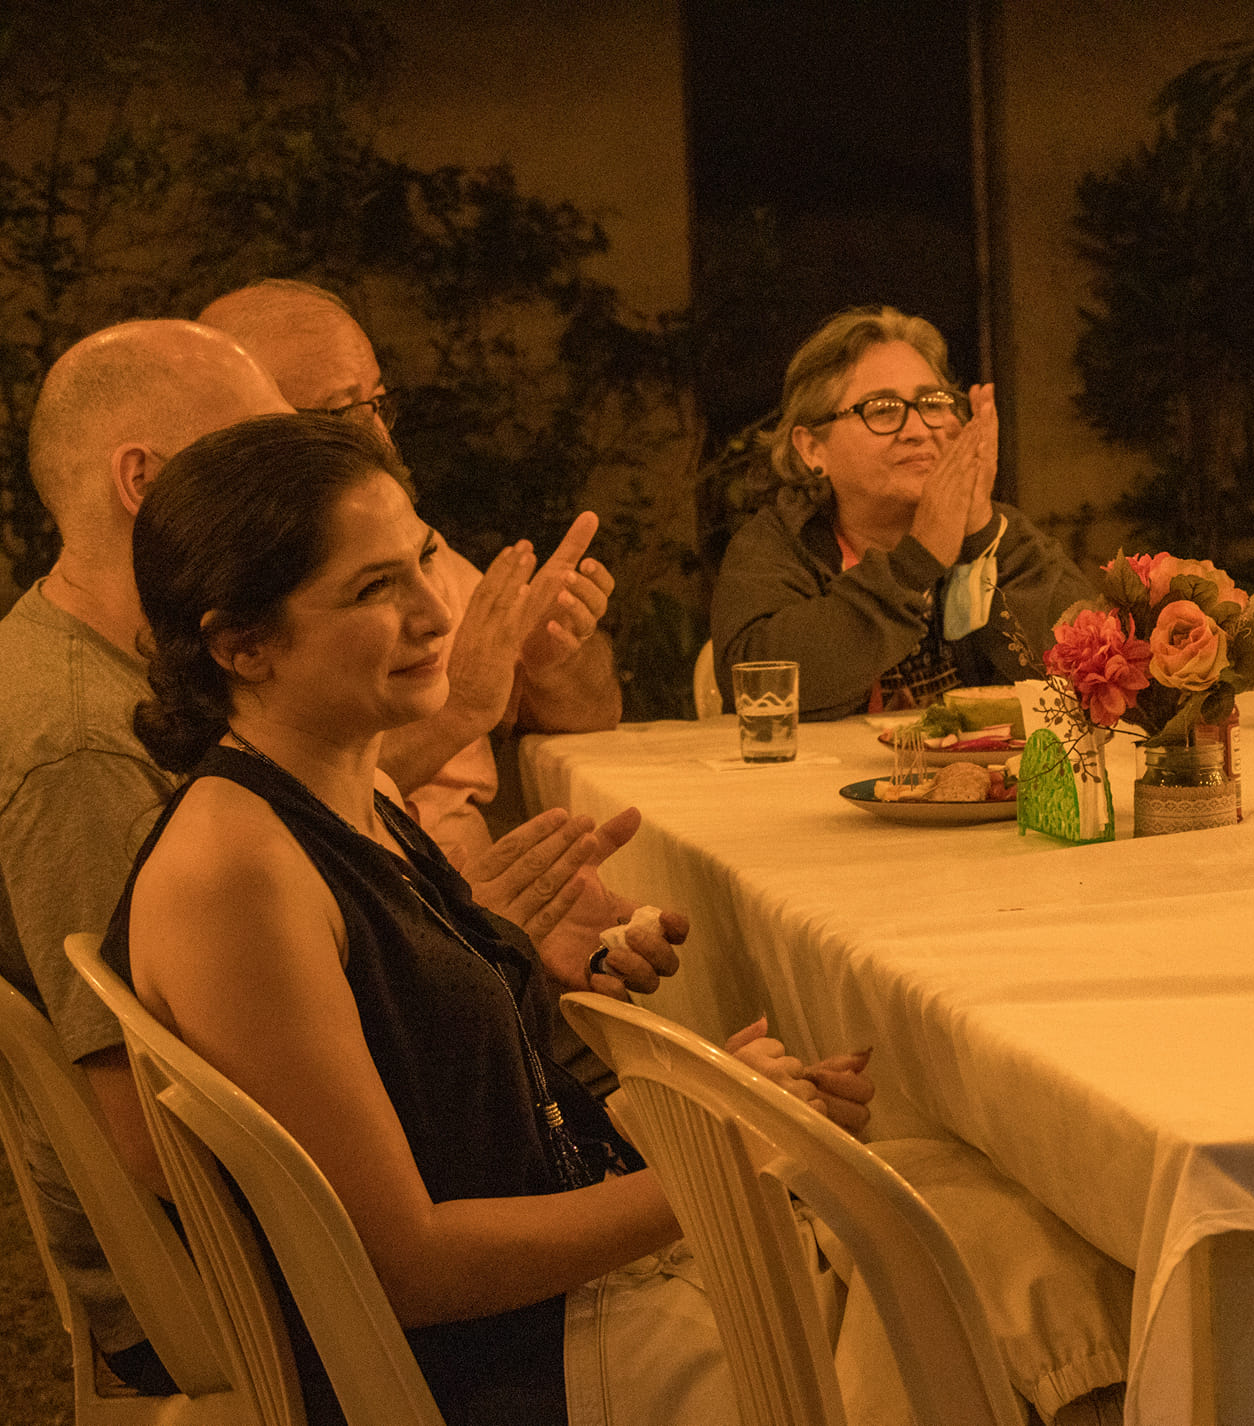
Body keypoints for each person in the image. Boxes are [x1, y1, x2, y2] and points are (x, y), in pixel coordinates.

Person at [103, 413, 874, 1424]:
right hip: (511, 1371)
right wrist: (728, 1156)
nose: (438, 614)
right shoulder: (236, 873)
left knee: (961, 1219)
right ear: (241, 644)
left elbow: (448, 1102)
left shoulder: (355, 794)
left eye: (423, 559)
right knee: (977, 1283)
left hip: (564, 1306)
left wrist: (521, 965)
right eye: (373, 589)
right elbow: (404, 1266)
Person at [0, 320, 297, 1392]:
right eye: (258, 453)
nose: (297, 492)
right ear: (143, 480)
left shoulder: (124, 667)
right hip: (221, 1282)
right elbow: (153, 1127)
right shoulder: (82, 741)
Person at [198, 279, 621, 870]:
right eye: (343, 412)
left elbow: (594, 714)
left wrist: (553, 653)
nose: (380, 437)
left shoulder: (406, 539)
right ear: (242, 429)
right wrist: (463, 707)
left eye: (378, 404)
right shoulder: (223, 584)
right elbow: (281, 799)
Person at [710, 305, 1094, 720]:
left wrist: (982, 534)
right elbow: (755, 687)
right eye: (882, 410)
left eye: (932, 404)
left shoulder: (999, 532)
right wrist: (915, 564)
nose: (918, 430)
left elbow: (1094, 673)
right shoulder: (777, 544)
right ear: (812, 449)